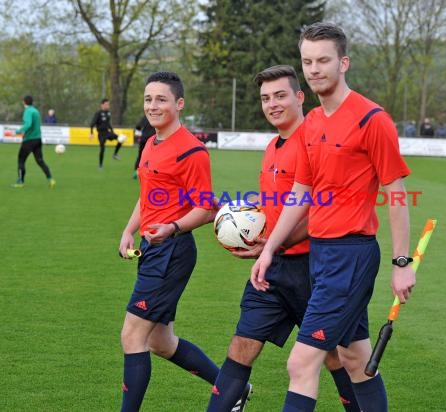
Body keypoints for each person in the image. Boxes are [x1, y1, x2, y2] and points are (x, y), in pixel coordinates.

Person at [251, 22, 415, 412]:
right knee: (356, 359)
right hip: (321, 257)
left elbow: (396, 194)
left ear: (343, 62)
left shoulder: (371, 119)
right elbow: (300, 192)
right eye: (307, 61)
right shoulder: (310, 123)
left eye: (323, 60)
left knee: (301, 362)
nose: (314, 68)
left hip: (351, 256)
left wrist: (402, 263)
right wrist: (269, 249)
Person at [206, 65, 360, 412]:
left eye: (280, 95)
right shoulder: (273, 146)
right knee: (241, 346)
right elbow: (279, 204)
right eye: (265, 98)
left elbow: (322, 210)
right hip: (272, 269)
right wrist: (240, 217)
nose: (272, 104)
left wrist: (275, 244)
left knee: (336, 357)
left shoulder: (317, 142)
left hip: (314, 269)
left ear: (299, 96)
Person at [117, 71, 250, 412]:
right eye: (148, 99)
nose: (153, 105)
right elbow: (148, 195)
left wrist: (172, 227)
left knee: (133, 335)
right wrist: (129, 230)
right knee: (161, 341)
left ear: (179, 103)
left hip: (171, 251)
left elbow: (205, 208)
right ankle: (233, 389)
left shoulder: (192, 151)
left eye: (161, 99)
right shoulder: (152, 142)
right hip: (152, 248)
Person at [11, 95, 56, 189]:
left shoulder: (28, 111)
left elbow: (28, 124)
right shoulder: (36, 111)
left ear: (24, 102)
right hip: (38, 140)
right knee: (40, 161)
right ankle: (51, 179)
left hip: (29, 140)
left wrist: (17, 132)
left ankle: (20, 182)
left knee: (21, 160)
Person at [89, 98, 122, 168]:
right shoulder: (98, 113)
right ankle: (100, 165)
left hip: (107, 132)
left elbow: (108, 124)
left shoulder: (108, 113)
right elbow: (92, 124)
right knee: (102, 149)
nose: (108, 106)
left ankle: (115, 154)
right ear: (102, 105)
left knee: (121, 139)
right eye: (106, 104)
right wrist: (91, 133)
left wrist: (112, 131)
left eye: (108, 104)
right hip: (101, 134)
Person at [132, 115, 155, 179]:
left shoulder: (145, 117)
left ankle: (136, 172)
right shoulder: (158, 117)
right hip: (152, 139)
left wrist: (138, 134)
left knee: (140, 156)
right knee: (153, 157)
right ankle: (150, 173)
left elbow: (138, 127)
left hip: (143, 139)